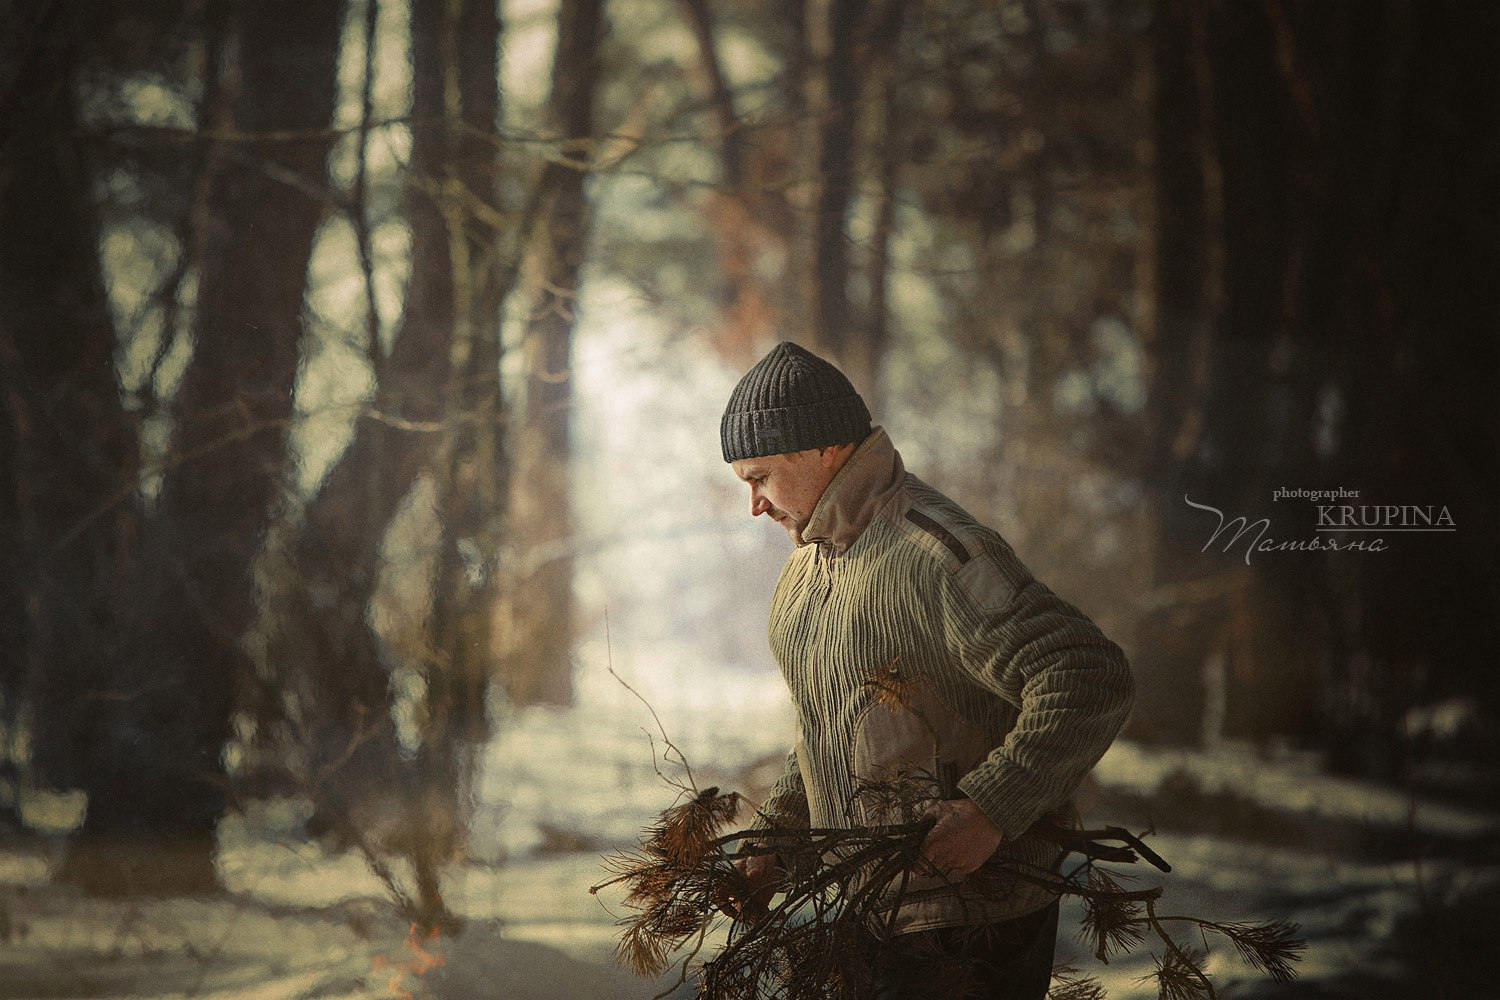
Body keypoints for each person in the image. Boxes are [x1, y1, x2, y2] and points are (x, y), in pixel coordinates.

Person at [720, 341, 1134, 1000]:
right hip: (870, 911)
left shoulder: (938, 553)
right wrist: (778, 839)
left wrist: (989, 810)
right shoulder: (805, 574)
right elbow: (832, 728)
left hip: (973, 920)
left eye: (760, 477)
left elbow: (1085, 675)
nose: (755, 505)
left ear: (825, 449)